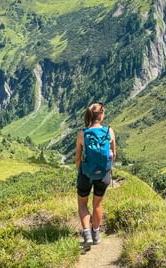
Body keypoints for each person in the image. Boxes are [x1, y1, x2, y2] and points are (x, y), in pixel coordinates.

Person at [75, 102, 116, 247]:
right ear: (101, 115)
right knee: (97, 203)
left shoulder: (82, 134)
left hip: (86, 173)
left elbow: (78, 158)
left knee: (82, 203)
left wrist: (82, 172)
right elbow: (114, 154)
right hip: (104, 174)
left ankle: (87, 235)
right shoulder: (109, 132)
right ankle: (96, 233)